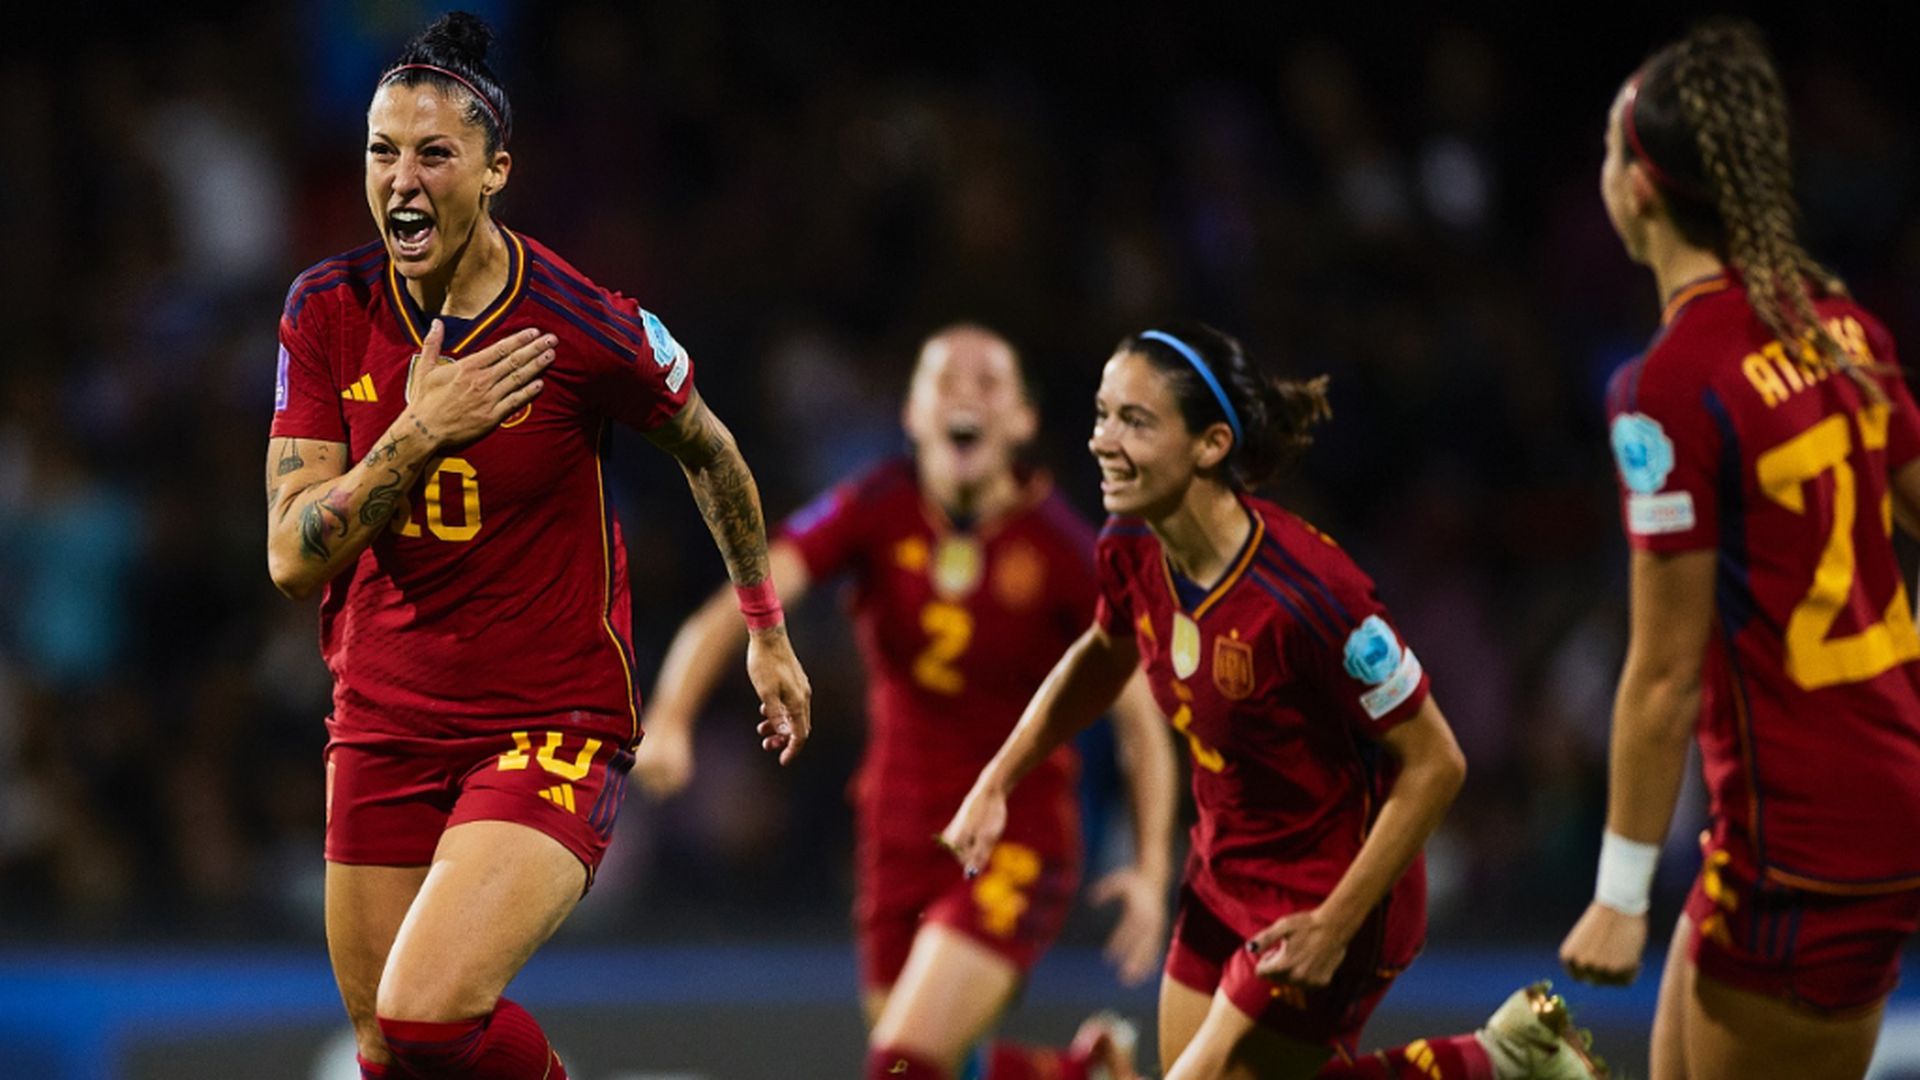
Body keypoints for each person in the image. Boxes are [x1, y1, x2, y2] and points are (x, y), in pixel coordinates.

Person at [266, 14, 811, 1080]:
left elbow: (714, 452)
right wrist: (422, 433)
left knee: (426, 1016)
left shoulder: (579, 323)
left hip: (546, 721)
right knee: (388, 1052)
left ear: (497, 168)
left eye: (435, 153)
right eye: (383, 151)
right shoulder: (325, 310)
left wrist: (764, 626)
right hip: (381, 715)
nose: (403, 181)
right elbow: (293, 559)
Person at [943, 325, 1605, 1080]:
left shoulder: (1312, 596)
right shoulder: (1129, 543)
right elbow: (1103, 652)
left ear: (1211, 444)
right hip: (1222, 874)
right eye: (1101, 414)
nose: (1102, 440)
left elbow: (1437, 763)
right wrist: (999, 777)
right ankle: (1500, 1062)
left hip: (1333, 890)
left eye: (1135, 421)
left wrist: (1335, 924)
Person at [632, 324, 1178, 1080]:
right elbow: (743, 600)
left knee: (902, 1063)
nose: (965, 394)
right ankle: (1081, 1073)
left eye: (988, 382)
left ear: (1021, 421)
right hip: (895, 830)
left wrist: (1152, 869)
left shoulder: (1063, 552)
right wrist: (670, 718)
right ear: (913, 414)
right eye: (944, 380)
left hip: (1013, 837)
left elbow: (1141, 718)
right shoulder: (874, 508)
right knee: (932, 1062)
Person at [1559, 18, 1920, 1080]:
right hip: (1838, 808)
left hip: (1806, 842)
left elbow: (1663, 676)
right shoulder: (1842, 327)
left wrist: (1621, 895)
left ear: (1641, 187)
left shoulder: (1666, 386)